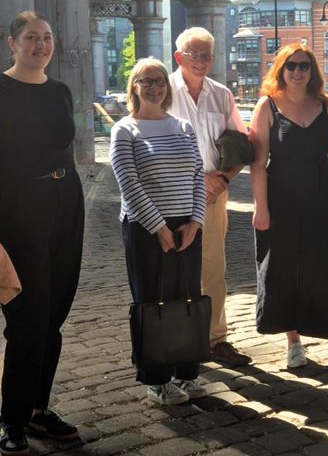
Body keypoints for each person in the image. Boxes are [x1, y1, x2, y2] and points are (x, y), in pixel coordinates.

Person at [0, 11, 84, 454]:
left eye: (47, 38)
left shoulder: (60, 90)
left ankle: (36, 408)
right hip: (16, 211)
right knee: (28, 317)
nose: (41, 45)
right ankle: (11, 418)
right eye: (31, 38)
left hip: (66, 201)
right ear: (11, 44)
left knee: (54, 315)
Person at [250, 43, 328, 370]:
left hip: (319, 201)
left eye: (304, 66)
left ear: (312, 71)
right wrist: (260, 207)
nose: (297, 71)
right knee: (284, 270)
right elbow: (257, 163)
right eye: (291, 66)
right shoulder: (268, 106)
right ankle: (294, 342)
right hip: (279, 200)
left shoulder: (327, 105)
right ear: (281, 70)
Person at [110, 57, 208, 405]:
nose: (153, 86)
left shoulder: (182, 126)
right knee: (152, 301)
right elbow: (129, 183)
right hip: (144, 227)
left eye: (159, 81)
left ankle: (187, 371)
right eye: (145, 80)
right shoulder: (125, 129)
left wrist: (196, 221)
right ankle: (156, 380)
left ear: (167, 87)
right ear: (134, 87)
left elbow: (198, 175)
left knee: (187, 297)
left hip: (186, 224)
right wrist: (158, 228)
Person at [168, 27, 251, 367]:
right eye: (194, 55)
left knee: (213, 268)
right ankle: (178, 339)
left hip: (214, 196)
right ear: (179, 57)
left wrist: (224, 179)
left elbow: (243, 144)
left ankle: (216, 338)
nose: (201, 62)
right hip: (171, 195)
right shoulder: (162, 90)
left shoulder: (221, 95)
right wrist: (195, 179)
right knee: (172, 268)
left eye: (207, 55)